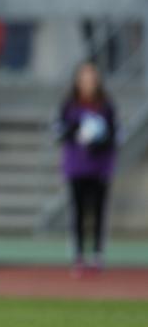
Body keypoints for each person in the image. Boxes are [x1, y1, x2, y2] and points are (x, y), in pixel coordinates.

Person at [56, 62, 117, 276]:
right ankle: (79, 256)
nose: (88, 81)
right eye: (84, 77)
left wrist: (100, 139)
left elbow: (114, 133)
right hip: (77, 167)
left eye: (92, 77)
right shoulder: (70, 105)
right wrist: (74, 131)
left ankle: (97, 254)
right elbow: (59, 131)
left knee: (99, 212)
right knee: (79, 212)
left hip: (100, 167)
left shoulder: (105, 105)